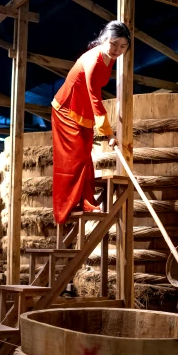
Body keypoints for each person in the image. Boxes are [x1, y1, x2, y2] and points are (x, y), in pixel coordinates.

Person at [51, 20, 130, 226]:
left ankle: (85, 200)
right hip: (66, 109)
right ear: (104, 39)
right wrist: (108, 133)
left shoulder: (109, 58)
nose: (117, 50)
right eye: (113, 44)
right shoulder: (95, 60)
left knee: (85, 155)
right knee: (75, 157)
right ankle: (68, 205)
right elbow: (95, 97)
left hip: (81, 110)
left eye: (122, 47)